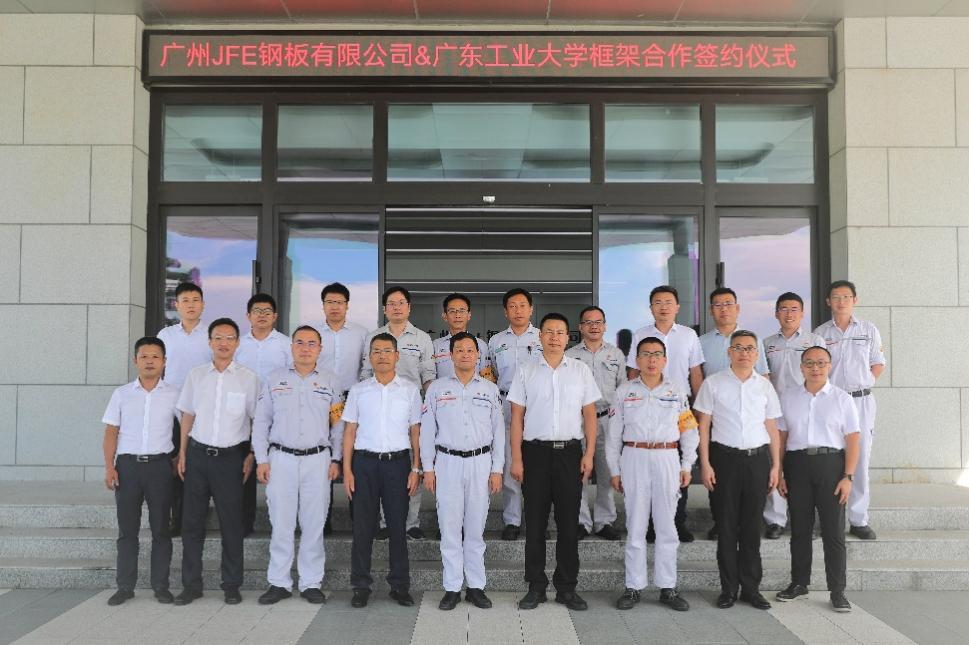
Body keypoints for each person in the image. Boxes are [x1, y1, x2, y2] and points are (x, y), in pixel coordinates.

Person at [509, 313, 601, 612]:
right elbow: (517, 418)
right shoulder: (526, 370)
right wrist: (517, 458)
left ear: (568, 336)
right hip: (534, 454)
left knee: (568, 525)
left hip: (569, 454)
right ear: (540, 336)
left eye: (560, 332)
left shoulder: (580, 370)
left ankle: (566, 588)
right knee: (535, 525)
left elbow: (590, 416)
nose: (554, 337)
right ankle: (535, 586)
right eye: (548, 331)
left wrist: (588, 454)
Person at [252, 326, 344, 605]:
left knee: (314, 523)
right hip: (281, 459)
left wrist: (337, 458)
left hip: (318, 459)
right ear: (291, 347)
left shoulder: (331, 381)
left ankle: (310, 582)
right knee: (281, 523)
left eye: (311, 343)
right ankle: (279, 582)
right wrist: (261, 459)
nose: (306, 348)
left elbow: (338, 424)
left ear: (320, 349)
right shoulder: (274, 379)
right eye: (300, 343)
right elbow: (261, 421)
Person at [173, 318, 260, 606]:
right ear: (209, 342)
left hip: (231, 459)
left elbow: (257, 420)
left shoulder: (248, 378)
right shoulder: (196, 375)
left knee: (232, 524)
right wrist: (183, 452)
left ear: (238, 343)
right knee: (191, 523)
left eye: (230, 338)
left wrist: (252, 454)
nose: (224, 343)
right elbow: (187, 415)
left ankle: (231, 584)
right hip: (198, 456)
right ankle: (191, 585)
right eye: (218, 338)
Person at [608, 337, 697, 612]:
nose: (651, 359)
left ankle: (667, 587)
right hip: (633, 457)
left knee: (666, 526)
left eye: (657, 354)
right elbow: (613, 435)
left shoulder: (676, 391)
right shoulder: (624, 391)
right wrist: (614, 470)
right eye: (645, 354)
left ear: (665, 360)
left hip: (667, 458)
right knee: (635, 524)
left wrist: (687, 465)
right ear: (637, 360)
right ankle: (633, 586)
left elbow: (689, 431)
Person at [695, 329, 781, 611]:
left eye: (750, 348)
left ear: (757, 354)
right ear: (729, 352)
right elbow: (703, 426)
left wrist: (776, 466)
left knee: (752, 528)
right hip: (724, 460)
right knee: (727, 527)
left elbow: (772, 428)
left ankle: (751, 589)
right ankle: (728, 589)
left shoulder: (764, 386)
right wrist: (705, 463)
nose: (744, 353)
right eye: (739, 348)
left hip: (757, 461)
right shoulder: (713, 383)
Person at [420, 332, 504, 611]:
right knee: (450, 529)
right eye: (460, 350)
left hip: (480, 463)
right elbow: (427, 430)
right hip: (447, 463)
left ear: (478, 355)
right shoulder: (437, 389)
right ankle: (452, 587)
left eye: (470, 350)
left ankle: (476, 587)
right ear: (451, 355)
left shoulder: (489, 389)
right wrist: (428, 468)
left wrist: (497, 469)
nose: (465, 354)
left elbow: (499, 432)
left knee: (475, 530)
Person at [775, 346, 860, 613]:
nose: (815, 368)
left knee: (833, 532)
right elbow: (781, 437)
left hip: (831, 466)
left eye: (821, 363)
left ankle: (837, 590)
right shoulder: (788, 397)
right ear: (801, 367)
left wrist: (848, 476)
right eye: (809, 363)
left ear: (829, 366)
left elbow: (853, 439)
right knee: (800, 529)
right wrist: (779, 472)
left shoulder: (842, 399)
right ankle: (799, 583)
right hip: (797, 465)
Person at [342, 333, 423, 609]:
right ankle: (360, 586)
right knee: (363, 528)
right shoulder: (358, 391)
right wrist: (347, 470)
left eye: (387, 351)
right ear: (369, 357)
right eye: (376, 351)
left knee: (398, 527)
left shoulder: (410, 391)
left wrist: (416, 467)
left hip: (397, 465)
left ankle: (399, 585)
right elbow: (349, 432)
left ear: (397, 356)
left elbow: (415, 431)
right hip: (364, 464)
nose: (382, 356)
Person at [101, 337, 178, 606]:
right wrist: (109, 466)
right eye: (144, 356)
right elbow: (111, 431)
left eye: (155, 357)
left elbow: (188, 427)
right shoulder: (122, 394)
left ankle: (161, 586)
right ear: (135, 360)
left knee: (161, 530)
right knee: (127, 531)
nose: (149, 361)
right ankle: (125, 586)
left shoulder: (175, 394)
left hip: (160, 468)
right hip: (128, 468)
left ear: (164, 362)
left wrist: (180, 457)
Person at [626, 285, 704, 542]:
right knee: (648, 471)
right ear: (651, 308)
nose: (663, 307)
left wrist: (698, 408)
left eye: (668, 302)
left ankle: (678, 522)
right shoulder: (641, 335)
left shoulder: (689, 335)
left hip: (680, 408)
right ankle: (650, 525)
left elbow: (695, 373)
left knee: (680, 466)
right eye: (657, 302)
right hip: (647, 406)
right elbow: (632, 372)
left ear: (677, 307)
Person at [361, 286, 435, 540]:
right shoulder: (373, 337)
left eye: (401, 303)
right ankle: (385, 522)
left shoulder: (422, 338)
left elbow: (428, 377)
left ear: (409, 307)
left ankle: (411, 523)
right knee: (384, 465)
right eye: (391, 303)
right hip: (381, 410)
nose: (396, 307)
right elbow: (365, 373)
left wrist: (430, 412)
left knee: (415, 464)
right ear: (385, 309)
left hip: (412, 411)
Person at [814, 280, 885, 541]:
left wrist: (866, 382)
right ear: (828, 302)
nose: (841, 301)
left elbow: (878, 363)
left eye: (846, 297)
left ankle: (858, 519)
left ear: (855, 300)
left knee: (860, 459)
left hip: (861, 401)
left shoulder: (868, 330)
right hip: (832, 401)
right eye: (836, 297)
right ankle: (829, 519)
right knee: (830, 460)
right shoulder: (820, 334)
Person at [698, 287, 769, 541]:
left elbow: (763, 377)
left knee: (749, 476)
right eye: (718, 305)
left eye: (728, 304)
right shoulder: (702, 342)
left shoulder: (752, 340)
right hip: (714, 414)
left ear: (737, 308)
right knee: (719, 474)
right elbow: (698, 377)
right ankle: (720, 522)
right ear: (711, 310)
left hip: (746, 417)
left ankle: (748, 523)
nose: (723, 309)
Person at [762, 292, 826, 540]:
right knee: (775, 461)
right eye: (784, 309)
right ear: (776, 313)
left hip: (805, 408)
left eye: (794, 309)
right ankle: (775, 520)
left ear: (802, 313)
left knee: (803, 463)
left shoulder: (814, 341)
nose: (789, 314)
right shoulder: (767, 343)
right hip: (775, 410)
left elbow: (823, 373)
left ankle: (805, 519)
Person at [565, 305, 625, 541]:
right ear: (580, 327)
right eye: (588, 322)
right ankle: (581, 521)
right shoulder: (570, 356)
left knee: (606, 472)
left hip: (607, 419)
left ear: (605, 326)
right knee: (578, 473)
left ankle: (604, 521)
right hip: (577, 421)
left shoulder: (616, 355)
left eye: (598, 322)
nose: (593, 326)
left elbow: (622, 390)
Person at [234, 293, 292, 537]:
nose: (262, 315)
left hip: (276, 413)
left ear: (275, 316)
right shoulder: (238, 344)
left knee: (277, 468)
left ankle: (281, 523)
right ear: (248, 315)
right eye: (257, 311)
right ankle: (243, 523)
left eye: (267, 311)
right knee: (244, 468)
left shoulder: (285, 344)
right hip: (242, 413)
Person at [156, 282, 212, 537]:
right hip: (171, 410)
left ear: (203, 304)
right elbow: (158, 370)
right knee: (172, 465)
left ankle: (195, 520)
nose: (191, 305)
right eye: (185, 301)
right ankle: (174, 518)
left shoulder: (211, 335)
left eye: (195, 300)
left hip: (203, 410)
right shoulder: (166, 335)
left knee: (197, 467)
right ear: (176, 305)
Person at [314, 282, 369, 535]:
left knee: (353, 458)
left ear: (347, 305)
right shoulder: (314, 333)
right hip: (319, 402)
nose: (334, 307)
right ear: (323, 305)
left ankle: (358, 519)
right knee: (322, 458)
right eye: (330, 302)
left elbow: (366, 369)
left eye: (339, 302)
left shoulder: (361, 334)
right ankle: (322, 520)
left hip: (350, 402)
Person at [488, 288, 542, 541]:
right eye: (512, 306)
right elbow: (491, 375)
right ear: (505, 311)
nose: (518, 310)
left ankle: (536, 519)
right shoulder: (496, 342)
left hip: (537, 405)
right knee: (511, 463)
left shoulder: (543, 337)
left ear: (531, 309)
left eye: (522, 305)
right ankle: (512, 521)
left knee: (537, 466)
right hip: (507, 403)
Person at [432, 293, 494, 381]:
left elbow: (487, 377)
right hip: (443, 390)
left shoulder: (481, 345)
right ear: (445, 316)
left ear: (469, 315)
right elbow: (430, 377)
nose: (457, 315)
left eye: (462, 311)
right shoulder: (435, 346)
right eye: (452, 311)